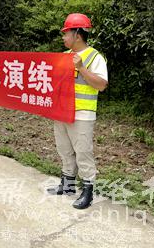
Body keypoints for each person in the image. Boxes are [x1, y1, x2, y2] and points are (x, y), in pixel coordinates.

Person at [47, 13, 108, 210]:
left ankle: (88, 192)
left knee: (83, 152)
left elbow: (101, 85)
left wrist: (81, 68)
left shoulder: (95, 57)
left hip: (82, 114)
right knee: (64, 149)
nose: (63, 37)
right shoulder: (64, 56)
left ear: (78, 35)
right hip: (62, 112)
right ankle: (67, 185)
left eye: (66, 33)